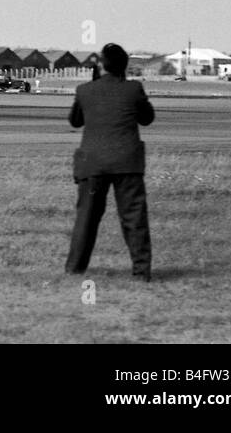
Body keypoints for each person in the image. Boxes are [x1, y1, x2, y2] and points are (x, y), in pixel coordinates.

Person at [64, 42, 155, 281]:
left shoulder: (84, 90)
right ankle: (141, 271)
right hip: (127, 163)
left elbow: (75, 122)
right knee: (134, 218)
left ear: (101, 66)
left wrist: (94, 84)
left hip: (93, 163)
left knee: (86, 218)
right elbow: (147, 118)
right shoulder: (134, 89)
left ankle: (75, 268)